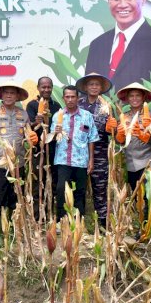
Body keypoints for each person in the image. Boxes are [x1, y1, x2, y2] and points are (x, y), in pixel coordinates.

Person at [0, 81, 38, 247]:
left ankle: (12, 230)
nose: (9, 95)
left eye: (12, 93)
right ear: (1, 95)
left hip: (18, 163)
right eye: (6, 92)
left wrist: (31, 138)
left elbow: (28, 133)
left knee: (15, 198)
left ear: (18, 96)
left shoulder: (23, 114)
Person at [51, 85, 99, 221]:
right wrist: (56, 133)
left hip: (81, 160)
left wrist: (91, 160)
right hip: (63, 160)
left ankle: (79, 221)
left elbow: (92, 139)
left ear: (78, 98)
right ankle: (62, 220)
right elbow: (52, 139)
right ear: (63, 98)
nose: (70, 99)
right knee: (61, 190)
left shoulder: (87, 116)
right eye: (67, 97)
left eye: (73, 97)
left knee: (80, 191)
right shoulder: (57, 116)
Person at [76, 73, 113, 229]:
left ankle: (103, 224)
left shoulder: (106, 106)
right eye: (91, 84)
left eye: (97, 85)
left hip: (100, 155)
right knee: (79, 189)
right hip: (79, 155)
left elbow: (112, 132)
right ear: (85, 87)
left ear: (101, 88)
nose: (94, 87)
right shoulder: (78, 104)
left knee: (100, 190)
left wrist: (112, 128)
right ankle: (78, 224)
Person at [107, 82, 151, 191]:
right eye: (131, 96)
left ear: (143, 97)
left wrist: (143, 135)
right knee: (135, 195)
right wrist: (118, 136)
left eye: (138, 95)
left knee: (147, 195)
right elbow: (119, 141)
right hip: (130, 163)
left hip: (148, 162)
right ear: (127, 98)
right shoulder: (124, 117)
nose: (135, 98)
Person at [25, 76, 62, 223]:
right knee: (37, 184)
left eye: (49, 87)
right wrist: (37, 122)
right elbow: (29, 127)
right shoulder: (32, 105)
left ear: (52, 88)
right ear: (38, 88)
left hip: (54, 151)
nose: (46, 89)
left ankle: (50, 214)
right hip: (38, 152)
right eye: (43, 87)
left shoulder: (57, 106)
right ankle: (37, 217)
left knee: (52, 184)